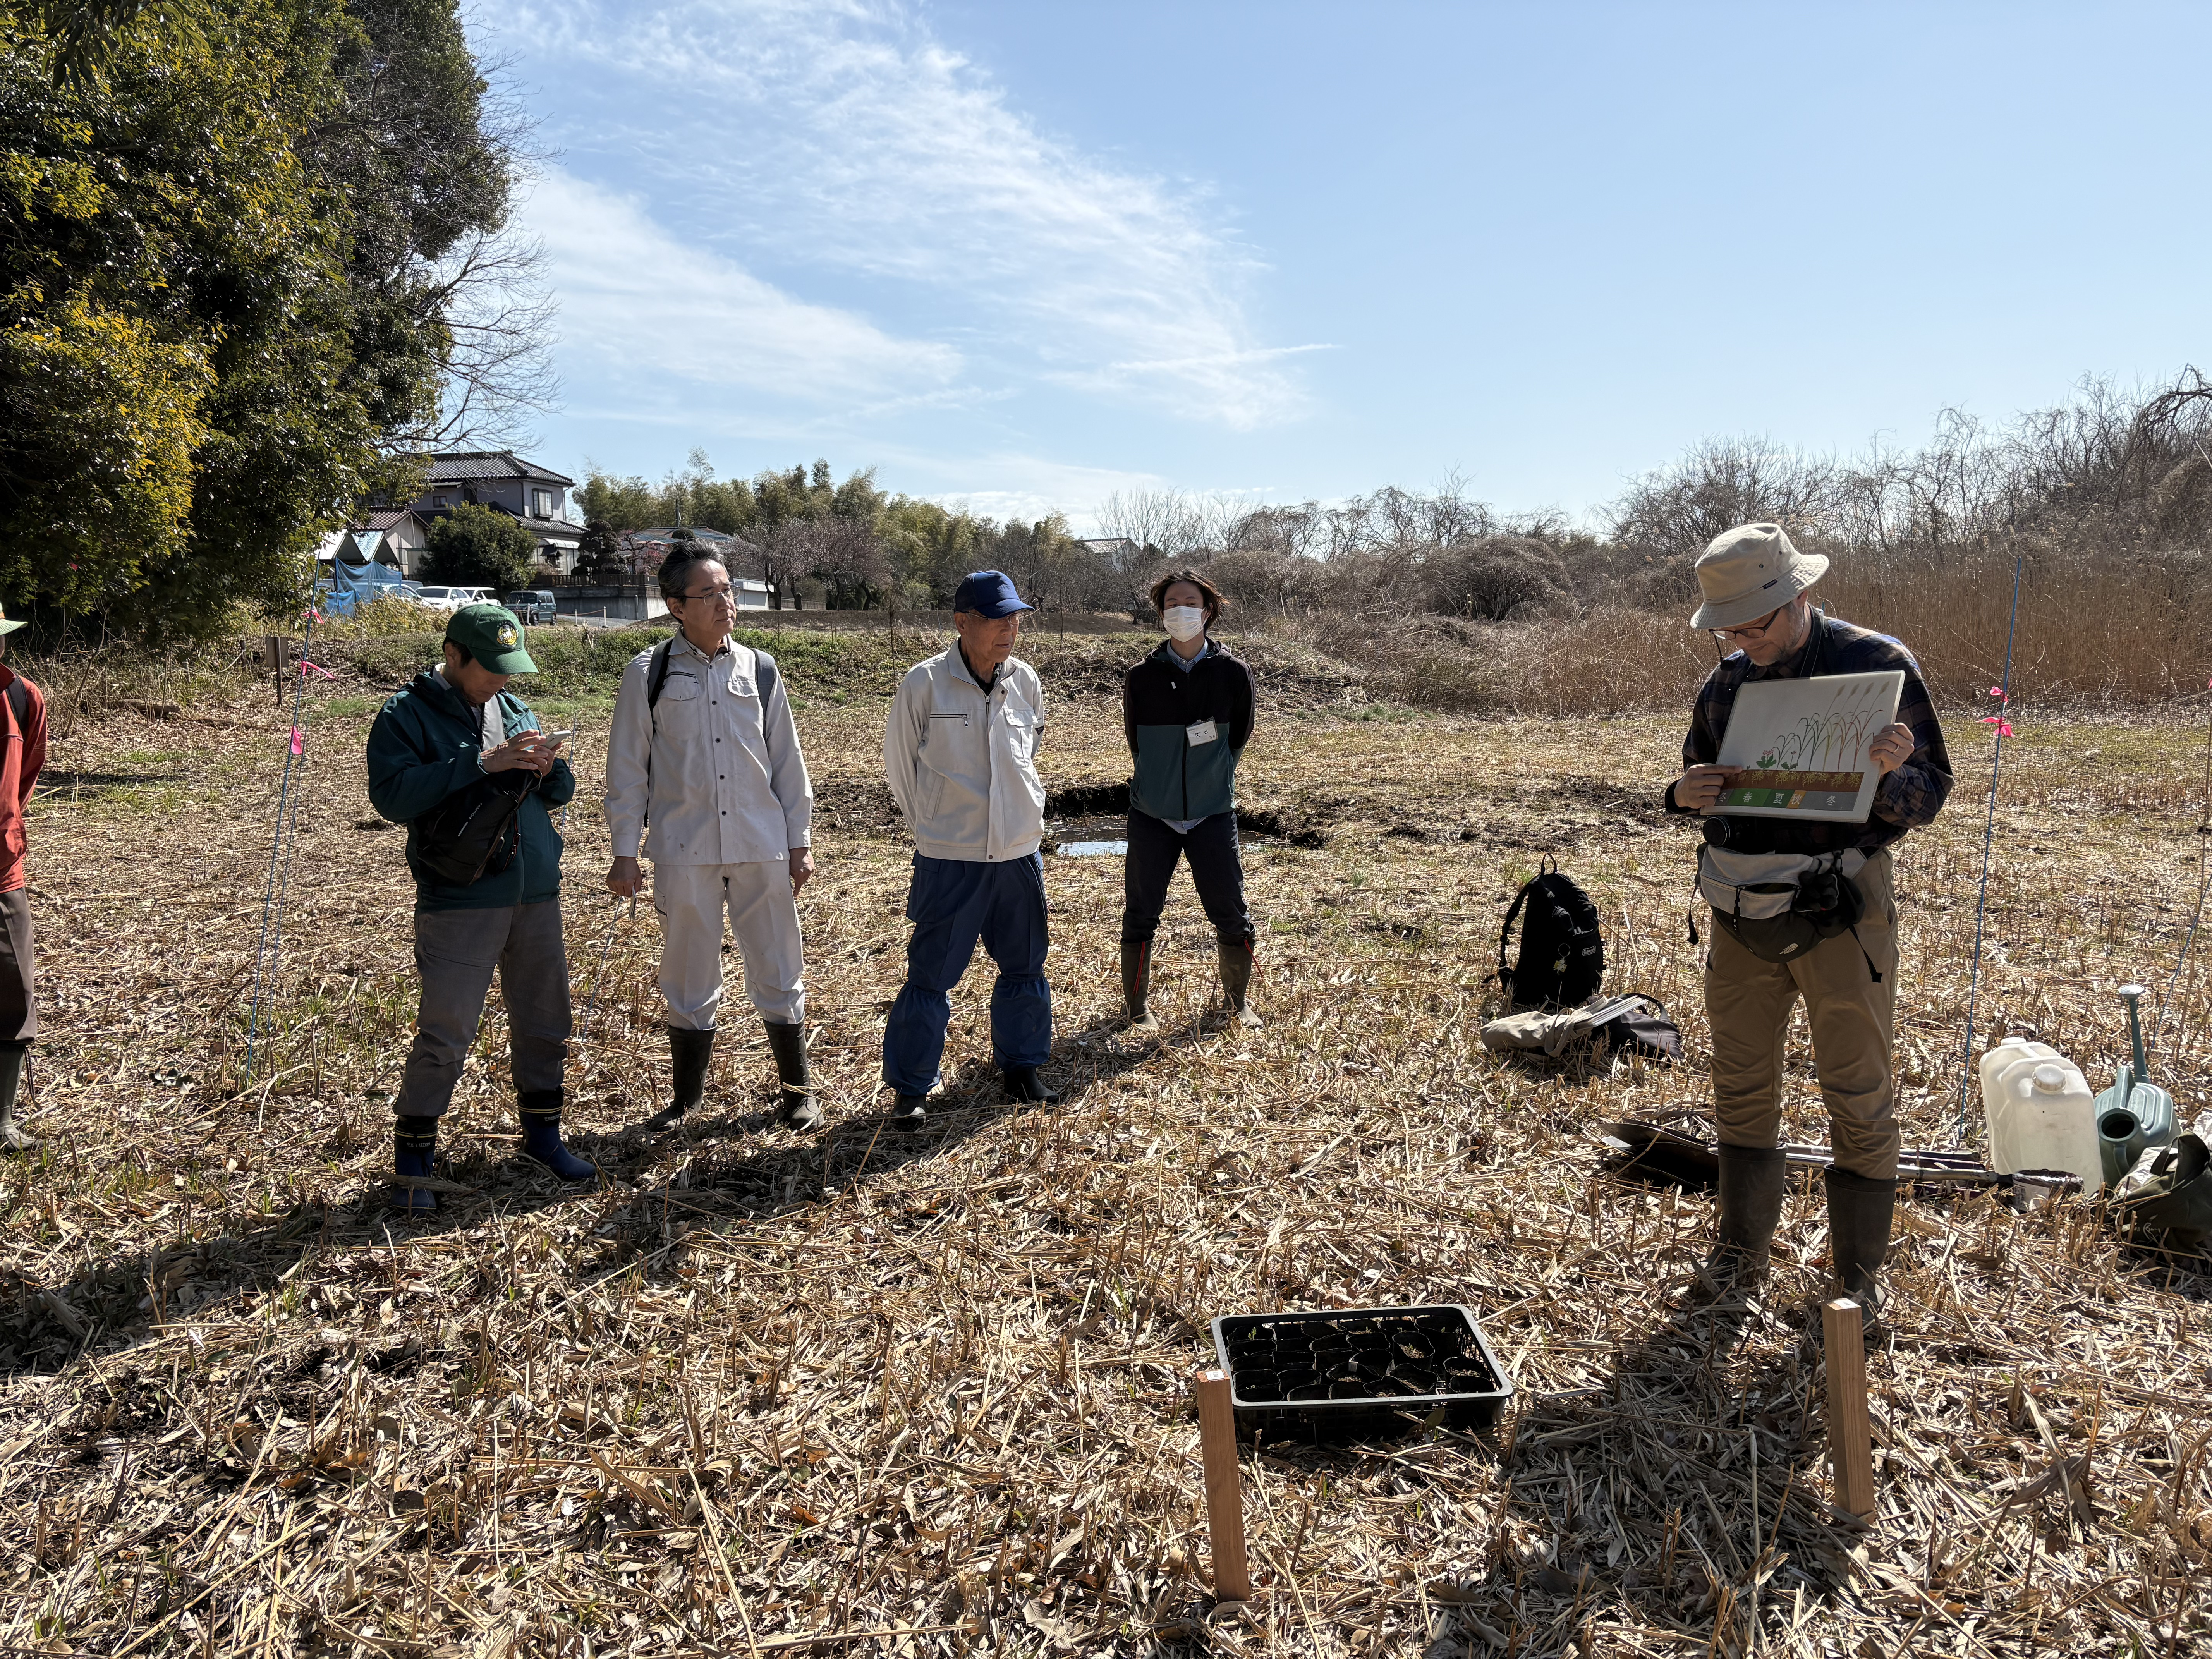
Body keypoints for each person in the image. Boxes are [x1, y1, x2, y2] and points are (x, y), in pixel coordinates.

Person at [1667, 523, 1953, 1334]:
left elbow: (1930, 798)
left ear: (1798, 598)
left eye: (1756, 624)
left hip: (1841, 908)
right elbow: (1701, 780)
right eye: (1729, 629)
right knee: (1740, 1083)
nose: (1744, 642)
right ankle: (1738, 1257)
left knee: (1858, 1091)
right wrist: (1686, 792)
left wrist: (1897, 771)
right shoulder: (1724, 684)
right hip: (1741, 908)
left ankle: (1858, 1279)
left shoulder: (1878, 666)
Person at [366, 603, 592, 1212]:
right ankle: (414, 1162)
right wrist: (477, 763)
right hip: (461, 895)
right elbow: (390, 796)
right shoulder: (405, 714)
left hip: (536, 890)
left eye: (510, 668)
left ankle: (543, 1138)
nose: (503, 680)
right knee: (447, 1031)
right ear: (453, 655)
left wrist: (549, 767)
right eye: (491, 668)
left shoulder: (514, 709)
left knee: (546, 1023)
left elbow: (561, 792)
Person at [605, 551, 818, 1130]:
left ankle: (798, 1092)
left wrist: (799, 843)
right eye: (711, 594)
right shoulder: (647, 674)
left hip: (761, 845)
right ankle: (686, 1100)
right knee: (689, 972)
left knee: (779, 965)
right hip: (684, 848)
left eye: (730, 590)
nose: (727, 603)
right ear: (676, 607)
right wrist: (626, 850)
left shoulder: (760, 669)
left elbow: (787, 764)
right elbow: (628, 769)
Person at [880, 570, 1058, 1130]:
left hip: (1018, 855)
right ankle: (912, 1087)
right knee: (930, 974)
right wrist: (935, 827)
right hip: (949, 858)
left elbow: (1029, 751)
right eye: (996, 617)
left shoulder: (1025, 680)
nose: (1010, 628)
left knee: (1025, 965)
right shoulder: (925, 683)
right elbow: (899, 765)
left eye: (1015, 617)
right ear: (962, 623)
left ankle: (1022, 1068)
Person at [1120, 570, 1259, 1030]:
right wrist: (1158, 783)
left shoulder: (1233, 673)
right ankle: (1137, 1009)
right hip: (1151, 816)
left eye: (1189, 601)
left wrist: (1211, 780)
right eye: (1171, 603)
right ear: (1162, 614)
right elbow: (1136, 744)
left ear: (1208, 610)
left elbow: (1237, 738)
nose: (1180, 610)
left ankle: (1237, 1002)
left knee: (1231, 911)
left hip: (1212, 814)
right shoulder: (1140, 677)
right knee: (1141, 912)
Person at [0, 603, 45, 1152]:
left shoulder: (21, 698)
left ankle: (2, 1120)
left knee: (13, 989)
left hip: (2, 873)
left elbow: (26, 775)